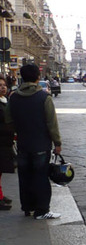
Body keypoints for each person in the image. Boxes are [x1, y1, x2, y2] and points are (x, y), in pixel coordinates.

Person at [6, 64, 62, 219]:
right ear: (38, 77)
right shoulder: (44, 97)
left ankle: (27, 207)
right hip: (41, 145)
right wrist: (57, 143)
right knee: (41, 177)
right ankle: (42, 210)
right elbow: (52, 123)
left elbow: (9, 120)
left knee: (25, 177)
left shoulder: (14, 97)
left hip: (23, 144)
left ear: (22, 77)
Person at [0, 76, 15, 210]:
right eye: (0, 85)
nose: (3, 87)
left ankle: (0, 195)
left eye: (4, 85)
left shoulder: (6, 101)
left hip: (5, 141)